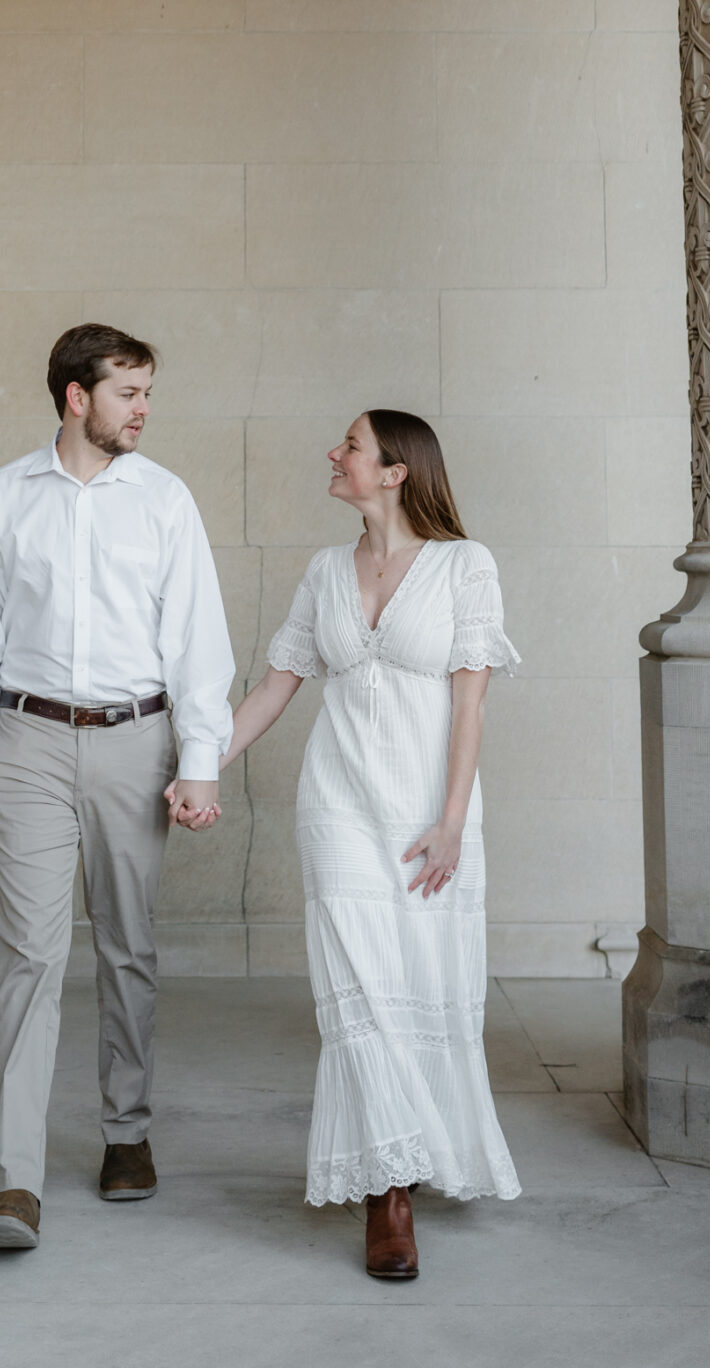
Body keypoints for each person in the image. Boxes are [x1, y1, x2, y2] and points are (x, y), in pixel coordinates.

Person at [177, 409, 520, 1279]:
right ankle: (388, 1199)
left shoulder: (464, 566)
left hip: (426, 815)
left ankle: (414, 1153)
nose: (334, 455)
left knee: (419, 984)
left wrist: (450, 821)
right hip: (337, 806)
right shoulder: (326, 570)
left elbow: (471, 706)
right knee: (359, 995)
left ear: (398, 471)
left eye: (352, 447)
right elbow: (273, 688)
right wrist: (197, 764)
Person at [0, 324, 233, 1252]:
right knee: (31, 956)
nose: (142, 410)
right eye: (127, 393)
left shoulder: (164, 500)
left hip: (134, 741)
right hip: (23, 739)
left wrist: (198, 757)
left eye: (147, 393)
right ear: (77, 398)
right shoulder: (5, 495)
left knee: (126, 946)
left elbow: (196, 636)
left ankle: (127, 1132)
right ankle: (15, 1185)